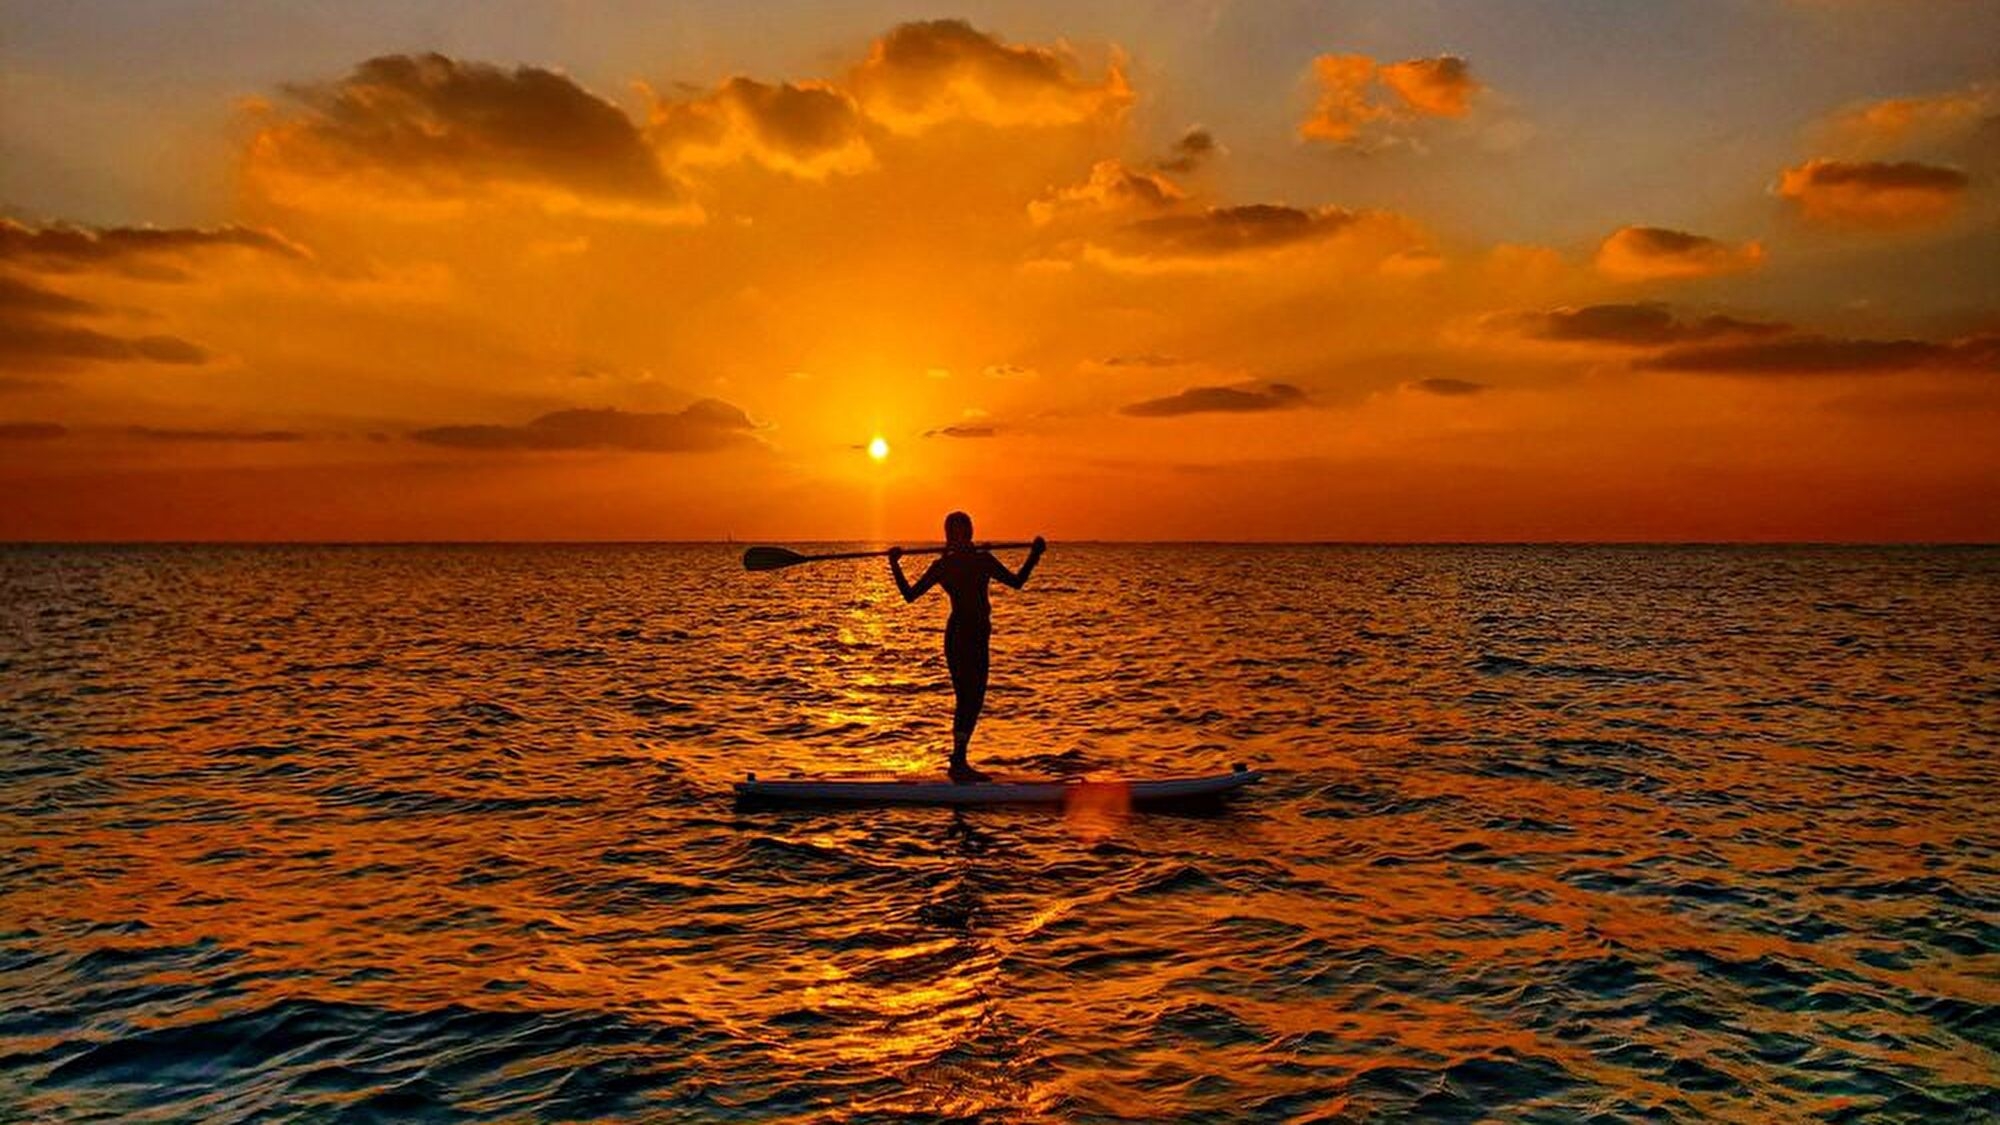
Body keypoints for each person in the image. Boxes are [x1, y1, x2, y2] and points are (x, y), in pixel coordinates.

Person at [888, 513, 1046, 783]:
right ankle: (958, 762)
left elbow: (1017, 582)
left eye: (964, 531)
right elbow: (910, 596)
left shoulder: (983, 559)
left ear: (970, 533)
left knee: (976, 699)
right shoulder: (943, 565)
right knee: (966, 697)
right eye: (955, 532)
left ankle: (959, 759)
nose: (960, 536)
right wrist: (894, 564)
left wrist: (1035, 555)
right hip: (958, 636)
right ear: (949, 535)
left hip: (980, 635)